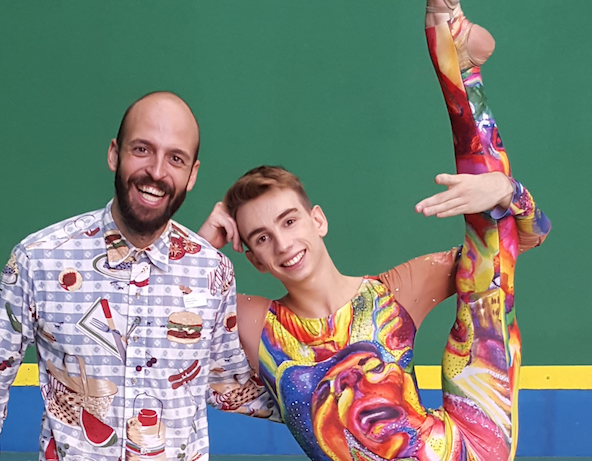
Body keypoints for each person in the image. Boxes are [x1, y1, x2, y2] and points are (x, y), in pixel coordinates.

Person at [198, 1, 551, 460]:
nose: (283, 243)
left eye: (289, 221)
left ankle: (460, 70)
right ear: (254, 258)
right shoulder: (256, 324)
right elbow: (156, 323)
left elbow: (524, 240)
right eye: (262, 237)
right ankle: (459, 63)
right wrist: (201, 247)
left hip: (468, 445)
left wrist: (508, 192)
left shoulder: (393, 293)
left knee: (488, 243)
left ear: (317, 220)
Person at [0, 92, 275, 461]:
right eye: (142, 149)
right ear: (114, 154)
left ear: (192, 175)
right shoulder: (37, 260)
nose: (157, 171)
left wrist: (323, 404)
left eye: (175, 158)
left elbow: (227, 385)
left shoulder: (212, 270)